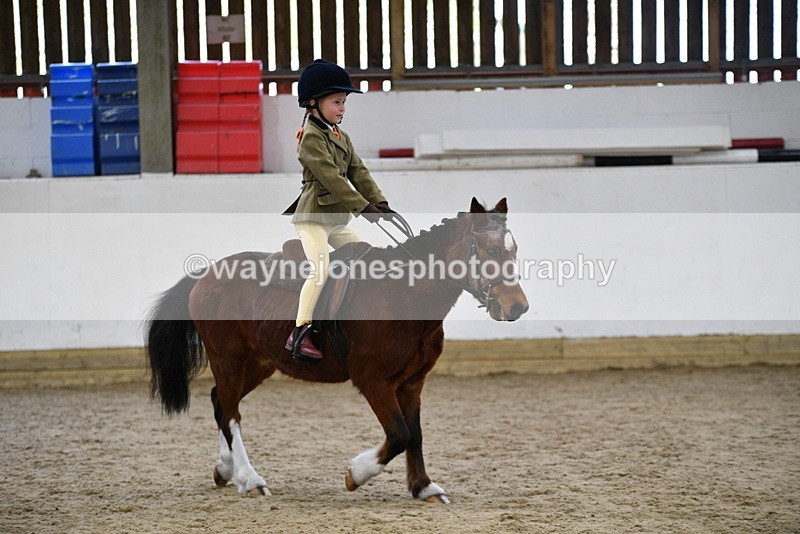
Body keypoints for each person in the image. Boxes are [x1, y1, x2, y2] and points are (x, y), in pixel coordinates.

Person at [283, 59, 392, 364]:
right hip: (313, 219)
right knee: (320, 270)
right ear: (313, 103)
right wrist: (363, 207)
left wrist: (379, 201)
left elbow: (358, 171)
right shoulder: (310, 138)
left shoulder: (339, 135)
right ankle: (300, 331)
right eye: (336, 102)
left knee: (366, 257)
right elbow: (332, 178)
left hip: (335, 220)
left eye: (344, 102)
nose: (342, 108)